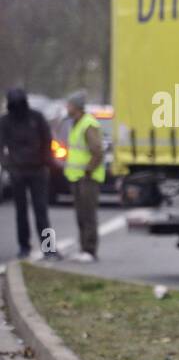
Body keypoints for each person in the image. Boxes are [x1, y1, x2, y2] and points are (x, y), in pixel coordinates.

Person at [0, 89, 55, 261]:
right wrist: (8, 166)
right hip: (18, 171)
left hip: (38, 170)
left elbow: (47, 139)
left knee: (41, 211)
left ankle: (49, 248)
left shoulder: (36, 118)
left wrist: (46, 161)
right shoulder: (5, 121)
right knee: (20, 212)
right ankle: (24, 246)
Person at [63, 91, 104, 263]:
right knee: (80, 214)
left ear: (76, 107)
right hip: (77, 177)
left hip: (87, 178)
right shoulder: (76, 123)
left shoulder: (88, 125)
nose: (67, 108)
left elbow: (97, 151)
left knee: (88, 214)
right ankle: (83, 248)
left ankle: (90, 249)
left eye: (69, 105)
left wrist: (88, 170)